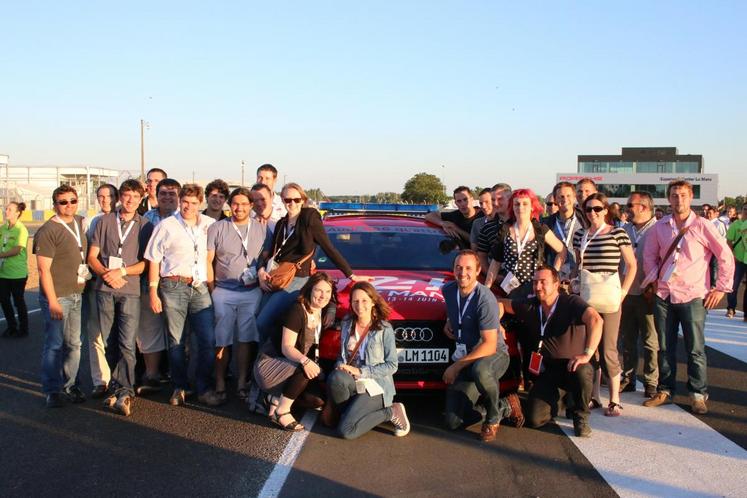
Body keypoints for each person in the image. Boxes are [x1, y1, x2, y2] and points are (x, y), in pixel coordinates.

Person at [643, 180, 734, 414]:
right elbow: (650, 256)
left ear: (690, 197)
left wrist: (721, 288)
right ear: (669, 199)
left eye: (683, 195)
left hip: (693, 295)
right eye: (674, 195)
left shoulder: (703, 226)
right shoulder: (659, 227)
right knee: (665, 346)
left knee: (695, 348)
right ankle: (665, 389)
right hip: (664, 294)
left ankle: (697, 393)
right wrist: (654, 280)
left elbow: (725, 256)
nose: (678, 200)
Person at [500, 265, 603, 437]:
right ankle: (564, 400)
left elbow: (596, 320)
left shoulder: (571, 302)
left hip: (573, 367)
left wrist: (587, 353)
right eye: (535, 282)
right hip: (549, 372)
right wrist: (496, 324)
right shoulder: (531, 305)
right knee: (534, 418)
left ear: (556, 284)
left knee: (583, 371)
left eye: (543, 282)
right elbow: (500, 303)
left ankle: (581, 416)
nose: (538, 286)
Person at [144, 183, 223, 407]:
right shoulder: (166, 225)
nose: (188, 207)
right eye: (185, 202)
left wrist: (212, 287)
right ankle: (180, 386)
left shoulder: (210, 225)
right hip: (173, 286)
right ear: (180, 201)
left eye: (193, 203)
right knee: (176, 341)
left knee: (208, 340)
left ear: (201, 204)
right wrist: (153, 291)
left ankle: (203, 387)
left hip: (200, 287)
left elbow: (211, 259)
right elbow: (153, 259)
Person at [256, 183, 364, 342]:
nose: (292, 203)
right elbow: (270, 255)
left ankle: (274, 355)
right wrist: (261, 271)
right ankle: (266, 361)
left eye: (296, 199)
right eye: (287, 200)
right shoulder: (280, 224)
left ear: (303, 200)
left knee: (262, 322)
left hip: (298, 278)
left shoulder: (309, 217)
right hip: (276, 277)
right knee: (261, 321)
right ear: (282, 201)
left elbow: (328, 247)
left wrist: (350, 274)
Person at [484, 188, 567, 387]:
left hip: (534, 291)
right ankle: (512, 379)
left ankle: (533, 382)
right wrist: (486, 289)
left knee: (533, 338)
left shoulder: (540, 230)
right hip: (510, 291)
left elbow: (562, 251)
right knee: (511, 336)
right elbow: (495, 263)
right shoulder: (505, 229)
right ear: (512, 207)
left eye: (524, 204)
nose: (520, 207)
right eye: (517, 204)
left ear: (532, 207)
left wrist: (551, 275)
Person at [441, 250, 524, 442]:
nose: (463, 273)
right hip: (467, 356)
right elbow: (456, 310)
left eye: (468, 268)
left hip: (492, 355)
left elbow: (489, 345)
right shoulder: (448, 290)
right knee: (452, 421)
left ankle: (493, 418)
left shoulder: (485, 298)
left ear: (478, 270)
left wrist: (456, 366)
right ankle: (506, 406)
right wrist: (449, 321)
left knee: (481, 370)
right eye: (458, 267)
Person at [87, 180, 150, 416]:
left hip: (130, 290)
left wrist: (121, 271)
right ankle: (116, 385)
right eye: (126, 195)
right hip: (105, 289)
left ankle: (126, 390)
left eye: (135, 196)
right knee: (108, 342)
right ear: (120, 197)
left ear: (141, 198)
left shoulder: (146, 225)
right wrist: (106, 274)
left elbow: (146, 263)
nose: (130, 200)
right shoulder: (103, 222)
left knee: (127, 342)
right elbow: (92, 256)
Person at [572, 193, 636, 417]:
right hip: (587, 297)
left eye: (597, 209)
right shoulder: (580, 234)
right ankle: (594, 396)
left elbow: (631, 265)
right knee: (591, 348)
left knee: (609, 349)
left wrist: (624, 292)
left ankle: (615, 399)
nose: (593, 213)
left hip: (610, 297)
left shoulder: (618, 233)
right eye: (588, 210)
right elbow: (579, 265)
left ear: (606, 210)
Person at [207, 187, 271, 402]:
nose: (239, 208)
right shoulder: (217, 228)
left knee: (245, 339)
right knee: (221, 339)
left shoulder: (262, 229)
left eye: (244, 204)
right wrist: (211, 288)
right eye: (235, 203)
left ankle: (242, 381)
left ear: (251, 206)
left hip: (251, 291)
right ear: (229, 205)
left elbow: (267, 257)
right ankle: (220, 381)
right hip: (223, 291)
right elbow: (209, 260)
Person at [324, 282, 410, 439]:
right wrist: (341, 366)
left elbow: (392, 365)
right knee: (335, 378)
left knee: (346, 431)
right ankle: (352, 415)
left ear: (373, 301)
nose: (359, 305)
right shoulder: (347, 323)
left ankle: (391, 411)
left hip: (375, 386)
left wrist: (361, 372)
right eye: (355, 301)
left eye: (364, 300)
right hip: (352, 382)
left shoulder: (384, 328)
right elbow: (341, 357)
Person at [254, 272, 336, 431]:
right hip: (271, 364)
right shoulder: (297, 311)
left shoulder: (321, 310)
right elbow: (287, 347)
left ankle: (274, 398)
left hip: (291, 366)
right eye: (319, 290)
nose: (323, 296)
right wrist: (306, 361)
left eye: (327, 292)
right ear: (310, 289)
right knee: (306, 368)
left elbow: (332, 298)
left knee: (317, 400)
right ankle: (282, 412)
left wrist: (332, 309)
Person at [34, 185, 89, 408]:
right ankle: (51, 390)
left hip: (77, 293)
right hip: (58, 297)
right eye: (63, 202)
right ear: (54, 205)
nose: (69, 205)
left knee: (74, 344)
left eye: (72, 201)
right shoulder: (48, 231)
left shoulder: (79, 222)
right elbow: (42, 270)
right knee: (54, 345)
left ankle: (70, 384)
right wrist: (53, 300)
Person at [138, 178, 181, 393]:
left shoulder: (186, 219)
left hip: (176, 283)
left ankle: (177, 374)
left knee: (177, 331)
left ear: (179, 196)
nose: (167, 197)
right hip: (150, 282)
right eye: (163, 193)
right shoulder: (147, 218)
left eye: (172, 193)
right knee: (151, 328)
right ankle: (152, 374)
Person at [619, 192, 659, 398]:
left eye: (629, 205)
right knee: (627, 339)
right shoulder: (625, 230)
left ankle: (652, 381)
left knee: (650, 341)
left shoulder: (658, 229)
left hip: (648, 294)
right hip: (626, 292)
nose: (626, 209)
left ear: (643, 207)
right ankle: (629, 377)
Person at [81, 184, 118, 397]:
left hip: (121, 284)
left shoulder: (126, 219)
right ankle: (100, 379)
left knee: (121, 333)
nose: (106, 200)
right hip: (98, 282)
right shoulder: (92, 222)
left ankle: (121, 377)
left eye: (110, 196)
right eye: (102, 196)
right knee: (95, 332)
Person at [542, 182, 582, 282]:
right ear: (555, 199)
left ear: (574, 198)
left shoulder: (584, 222)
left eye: (568, 196)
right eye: (561, 197)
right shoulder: (546, 223)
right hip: (554, 278)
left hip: (578, 278)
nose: (565, 199)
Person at [0, 202, 29, 338]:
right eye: (6, 209)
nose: (6, 211)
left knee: (18, 301)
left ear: (17, 213)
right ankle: (12, 326)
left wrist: (0, 255)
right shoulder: (3, 228)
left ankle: (23, 328)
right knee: (4, 300)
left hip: (17, 273)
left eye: (10, 210)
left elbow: (17, 249)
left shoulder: (21, 229)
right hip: (3, 272)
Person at [476, 183, 512, 275]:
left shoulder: (526, 224)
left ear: (510, 199)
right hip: (499, 282)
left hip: (529, 284)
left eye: (500, 199)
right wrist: (496, 279)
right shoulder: (487, 227)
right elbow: (481, 257)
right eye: (493, 199)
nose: (495, 203)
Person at [725, 204, 747, 319]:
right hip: (737, 259)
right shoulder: (735, 225)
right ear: (741, 210)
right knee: (733, 285)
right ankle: (731, 308)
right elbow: (728, 242)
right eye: (745, 209)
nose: (746, 211)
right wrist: (733, 256)